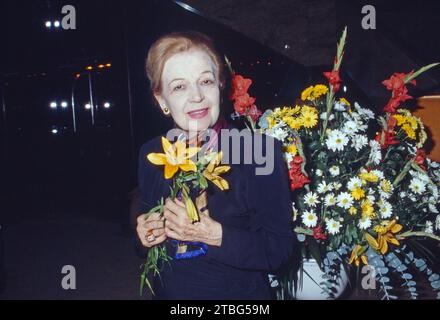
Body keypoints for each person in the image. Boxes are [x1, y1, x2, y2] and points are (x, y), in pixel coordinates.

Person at [136, 31, 295, 299]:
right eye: (179, 86)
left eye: (205, 81)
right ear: (162, 100)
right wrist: (146, 235)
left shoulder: (258, 152)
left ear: (220, 86)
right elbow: (146, 244)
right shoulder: (151, 153)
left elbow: (280, 251)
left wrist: (214, 234)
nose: (197, 96)